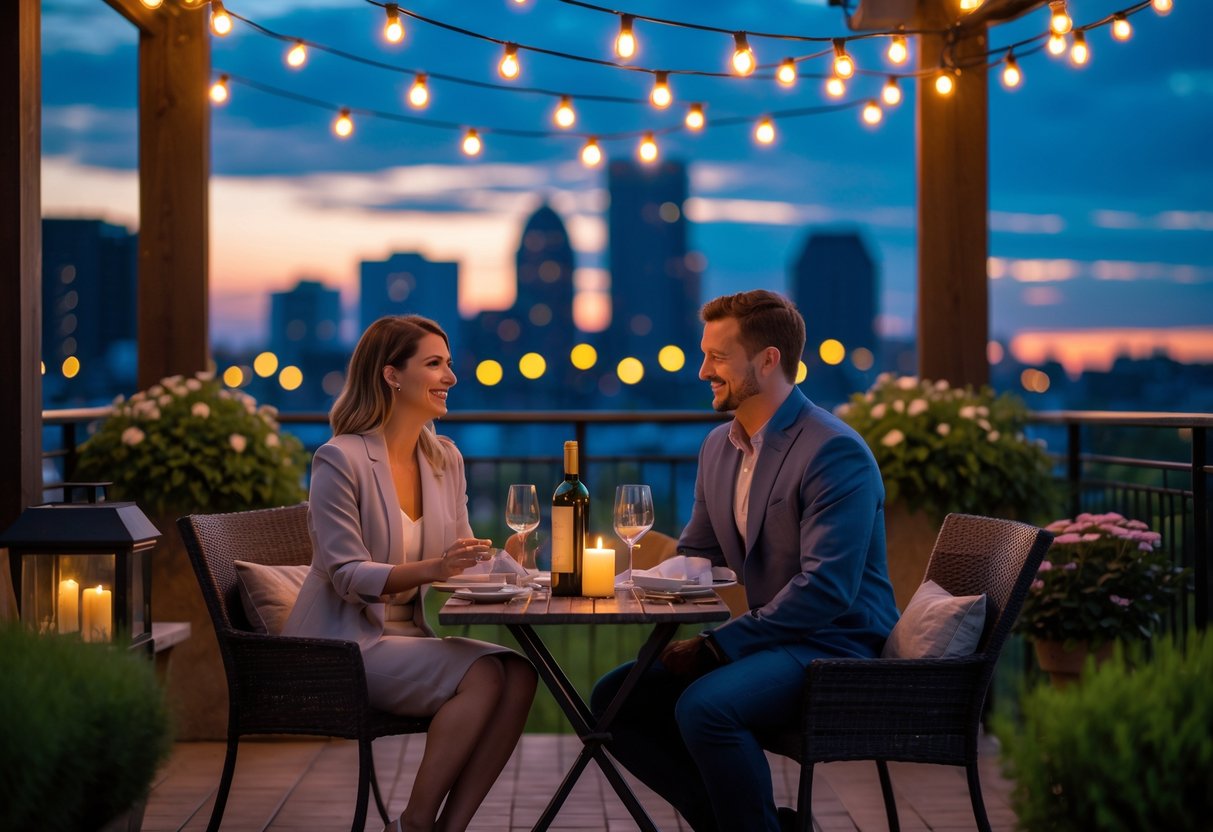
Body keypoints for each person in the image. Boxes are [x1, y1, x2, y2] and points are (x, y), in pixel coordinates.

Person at [591, 290, 900, 832]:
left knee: (706, 707)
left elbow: (828, 589)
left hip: (837, 645)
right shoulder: (720, 446)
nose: (703, 369)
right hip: (774, 640)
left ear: (768, 360)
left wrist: (717, 645)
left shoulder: (834, 450)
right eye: (704, 353)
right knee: (615, 700)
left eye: (717, 356)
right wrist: (632, 584)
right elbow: (698, 556)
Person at [284, 315, 537, 832]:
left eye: (448, 364)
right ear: (391, 374)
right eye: (435, 364)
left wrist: (507, 561)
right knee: (485, 672)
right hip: (341, 644)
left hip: (405, 638)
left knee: (521, 674)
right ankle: (417, 821)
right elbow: (347, 575)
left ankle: (449, 828)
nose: (451, 377)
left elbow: (458, 560)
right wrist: (436, 566)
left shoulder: (444, 458)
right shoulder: (340, 459)